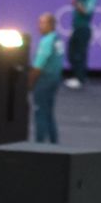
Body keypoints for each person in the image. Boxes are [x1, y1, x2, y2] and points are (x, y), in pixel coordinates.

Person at [29, 12, 64, 144]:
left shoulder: (46, 41)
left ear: (51, 24)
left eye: (42, 23)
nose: (39, 26)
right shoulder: (58, 39)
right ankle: (54, 141)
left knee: (40, 112)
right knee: (49, 112)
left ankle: (39, 142)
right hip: (55, 79)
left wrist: (30, 82)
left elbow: (39, 65)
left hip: (44, 80)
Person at [64, 0, 96, 91]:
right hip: (75, 27)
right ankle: (76, 75)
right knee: (71, 53)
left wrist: (76, 4)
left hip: (84, 28)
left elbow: (87, 11)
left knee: (80, 54)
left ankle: (80, 78)